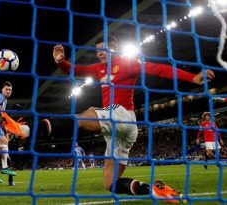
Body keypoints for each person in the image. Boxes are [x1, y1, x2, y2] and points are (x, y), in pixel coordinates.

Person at [48, 35, 214, 203]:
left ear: (115, 49)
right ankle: (155, 190)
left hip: (122, 115)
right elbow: (75, 70)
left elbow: (158, 69)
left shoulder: (128, 64)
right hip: (118, 132)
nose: (100, 54)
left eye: (105, 49)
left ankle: (34, 128)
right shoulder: (98, 69)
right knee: (109, 183)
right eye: (98, 51)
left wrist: (191, 77)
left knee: (84, 115)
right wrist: (61, 62)